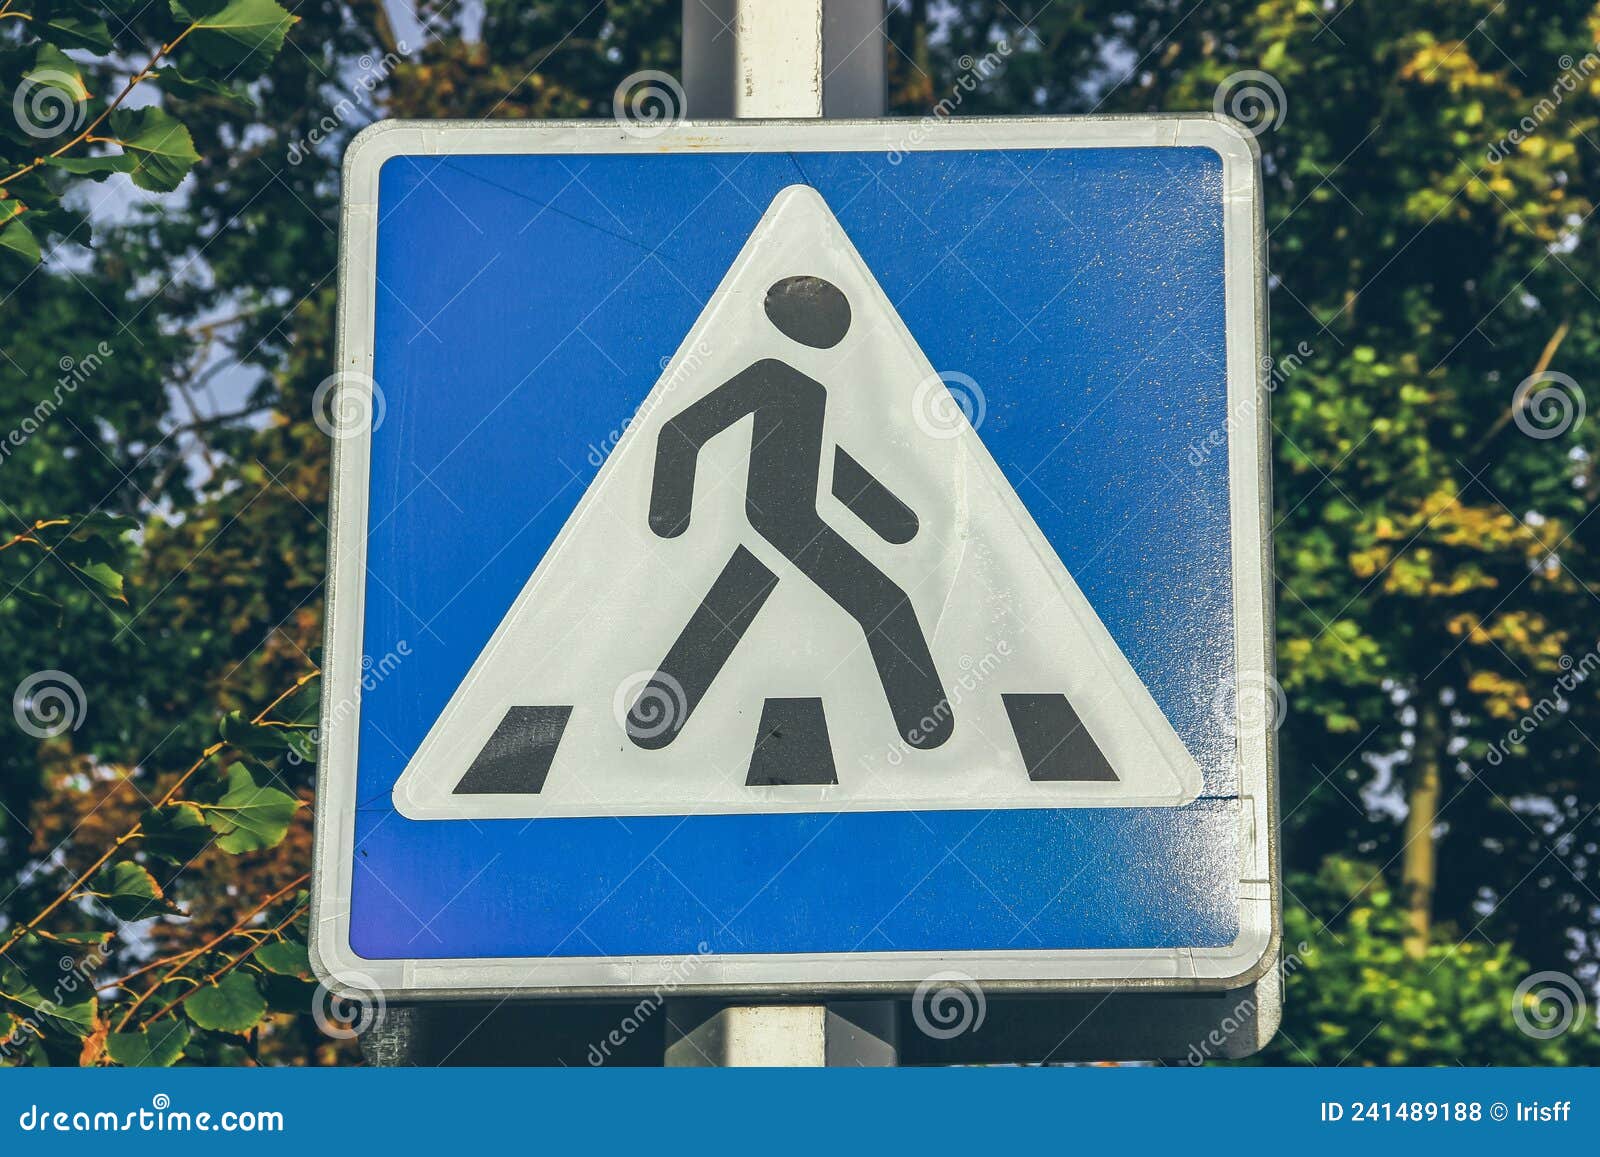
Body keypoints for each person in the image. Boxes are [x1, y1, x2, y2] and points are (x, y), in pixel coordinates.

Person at [627, 274, 953, 751]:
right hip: (779, 522)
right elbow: (684, 430)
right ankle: (926, 726)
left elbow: (827, 464)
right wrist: (670, 512)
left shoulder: (810, 390)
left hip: (789, 521)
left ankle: (651, 724)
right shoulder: (770, 376)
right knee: (886, 604)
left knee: (727, 612)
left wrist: (892, 520)